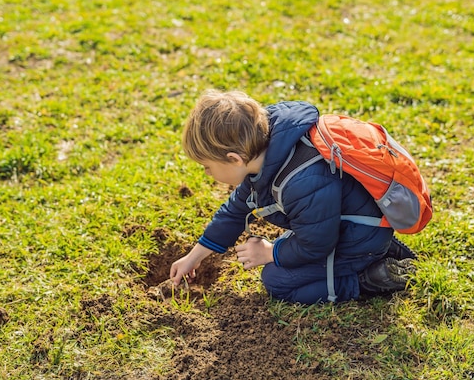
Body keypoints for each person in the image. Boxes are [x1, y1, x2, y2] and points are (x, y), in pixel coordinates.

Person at [170, 90, 417, 304]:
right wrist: (194, 257)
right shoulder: (268, 152)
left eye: (207, 166)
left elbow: (316, 245)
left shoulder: (301, 181)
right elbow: (235, 211)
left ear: (234, 159)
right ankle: (378, 251)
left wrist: (270, 252)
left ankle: (369, 278)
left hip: (357, 236)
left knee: (277, 281)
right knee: (288, 257)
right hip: (347, 226)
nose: (207, 173)